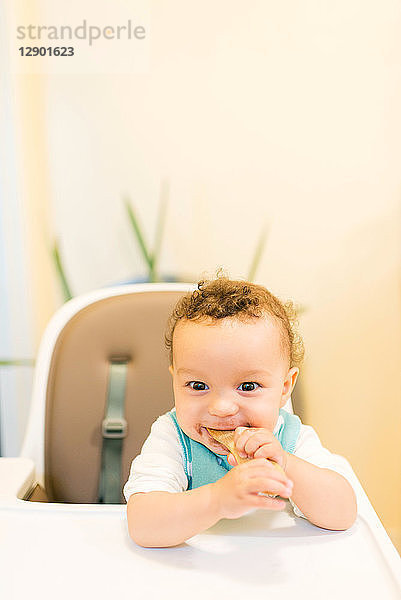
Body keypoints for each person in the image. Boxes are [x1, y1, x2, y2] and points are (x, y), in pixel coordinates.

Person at [124, 275, 357, 547]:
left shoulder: (291, 441)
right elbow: (142, 525)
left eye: (247, 386)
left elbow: (343, 514)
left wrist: (286, 465)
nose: (221, 408)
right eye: (198, 385)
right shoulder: (175, 436)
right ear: (175, 380)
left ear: (284, 387)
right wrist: (217, 500)